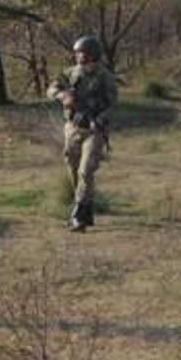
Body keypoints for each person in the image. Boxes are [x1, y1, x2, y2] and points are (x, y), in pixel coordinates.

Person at [47, 35, 118, 232]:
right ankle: (85, 206)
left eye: (83, 53)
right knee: (72, 165)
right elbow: (52, 88)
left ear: (93, 55)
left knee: (86, 171)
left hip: (94, 130)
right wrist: (63, 96)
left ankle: (78, 215)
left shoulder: (105, 77)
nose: (79, 56)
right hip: (73, 128)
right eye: (77, 53)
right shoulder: (70, 73)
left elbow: (113, 105)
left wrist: (101, 119)